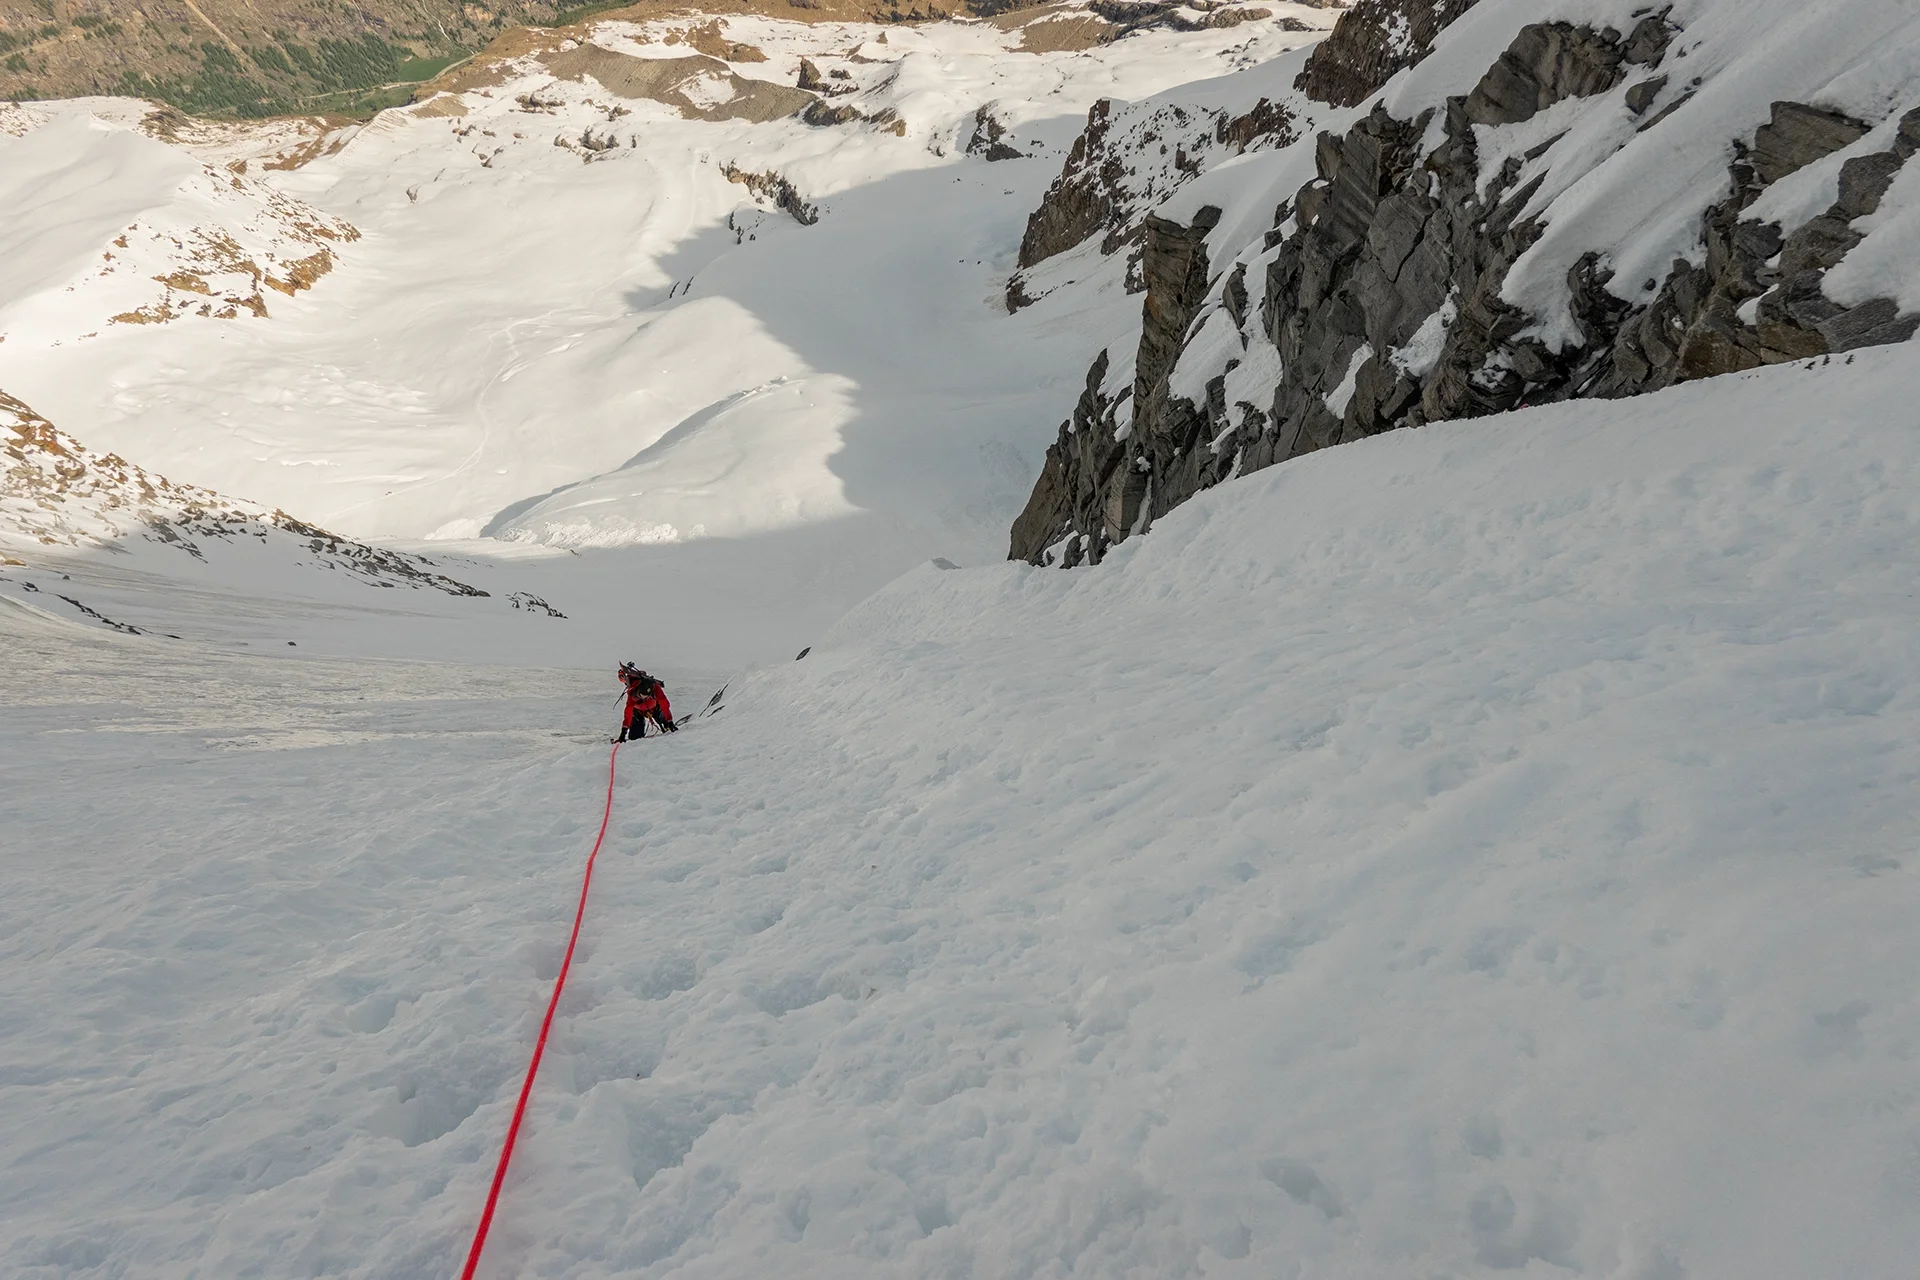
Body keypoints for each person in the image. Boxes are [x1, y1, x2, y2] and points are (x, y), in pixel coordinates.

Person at [615, 663, 678, 741]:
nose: (645, 697)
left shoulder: (655, 688)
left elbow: (664, 704)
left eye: (647, 696)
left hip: (655, 708)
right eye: (642, 696)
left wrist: (670, 721)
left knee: (662, 718)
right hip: (638, 712)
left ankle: (666, 724)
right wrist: (623, 732)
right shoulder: (632, 693)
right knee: (634, 738)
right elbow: (628, 713)